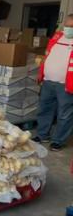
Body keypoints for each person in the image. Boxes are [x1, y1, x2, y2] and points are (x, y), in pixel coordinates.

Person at [34, 14, 73, 151]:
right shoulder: (57, 37)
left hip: (66, 85)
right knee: (44, 109)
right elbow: (47, 55)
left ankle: (58, 141)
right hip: (48, 81)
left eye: (71, 27)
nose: (68, 29)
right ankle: (42, 134)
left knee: (64, 114)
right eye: (67, 26)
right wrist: (41, 73)